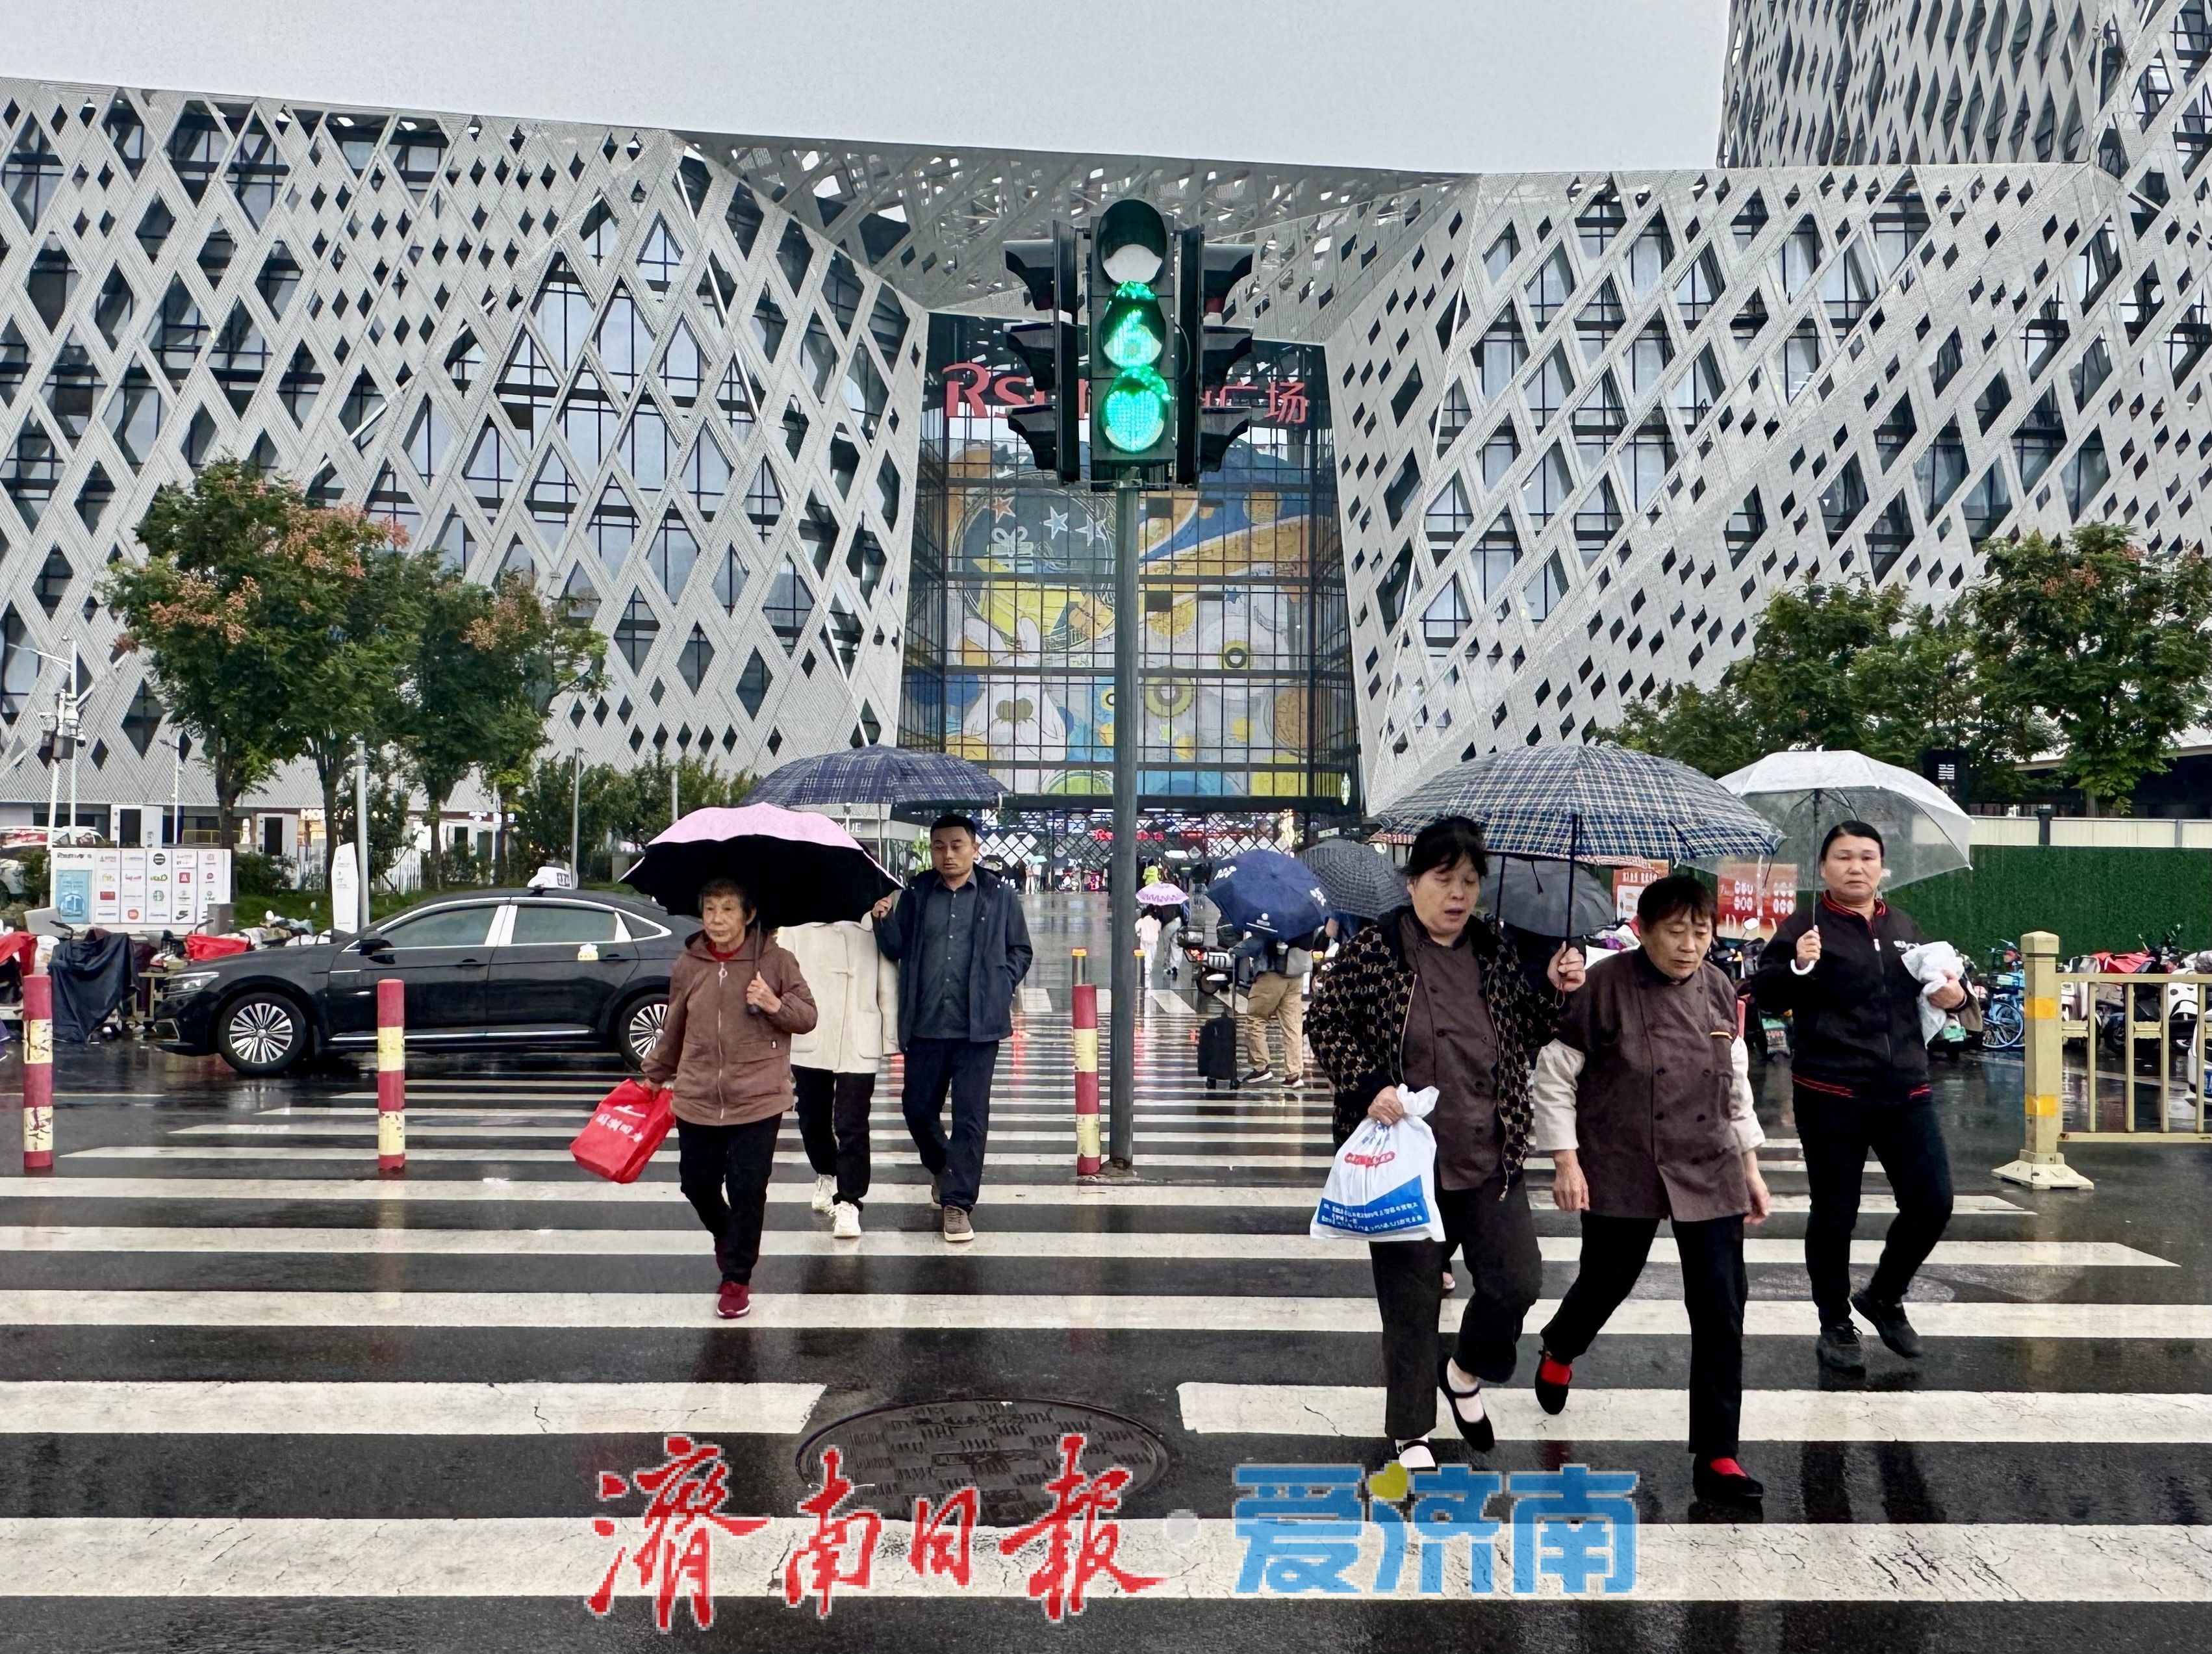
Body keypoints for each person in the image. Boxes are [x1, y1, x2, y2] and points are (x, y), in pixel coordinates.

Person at [1308, 816, 1586, 1477]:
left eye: (1469, 880)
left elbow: (1528, 1032)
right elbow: (1324, 1019)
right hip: (1408, 1159)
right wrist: (1370, 1083)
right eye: (1444, 878)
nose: (1458, 893)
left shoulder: (1493, 948)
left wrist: (1555, 987)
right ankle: (1411, 1431)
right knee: (1411, 1303)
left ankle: (1464, 1368)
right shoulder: (1379, 948)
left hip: (1490, 1149)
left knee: (1517, 1281)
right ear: (1414, 882)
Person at [1529, 874, 1773, 1506]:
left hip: (1708, 1159)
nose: (1690, 944)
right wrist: (1566, 1160)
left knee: (1722, 1306)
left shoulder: (1720, 988)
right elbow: (1555, 1076)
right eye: (1676, 930)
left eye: (1701, 930)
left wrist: (1750, 1165)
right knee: (1609, 1276)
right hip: (1621, 1157)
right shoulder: (1603, 988)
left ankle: (1718, 1451)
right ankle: (1562, 1343)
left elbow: (1735, 1082)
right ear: (1643, 930)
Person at [1750, 821, 1964, 1372]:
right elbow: (1766, 993)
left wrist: (1955, 996)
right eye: (1843, 857)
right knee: (1835, 1213)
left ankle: (1884, 1295)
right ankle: (1834, 1323)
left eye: (1867, 857)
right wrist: (1799, 963)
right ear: (1823, 868)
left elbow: (1937, 992)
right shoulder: (1803, 925)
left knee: (1932, 1201)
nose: (1856, 867)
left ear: (1881, 866)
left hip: (1905, 1087)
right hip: (1830, 1089)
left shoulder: (1905, 926)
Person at [642, 878, 817, 1321]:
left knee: (746, 1189)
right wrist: (654, 1075)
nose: (717, 920)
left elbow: (808, 1017)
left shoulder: (775, 960)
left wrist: (773, 1002)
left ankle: (737, 1277)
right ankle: (727, 1234)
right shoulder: (690, 962)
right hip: (698, 1092)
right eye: (709, 911)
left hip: (758, 1096)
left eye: (727, 910)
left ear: (748, 914)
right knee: (695, 1184)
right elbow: (675, 1024)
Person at [871, 814, 1034, 1243]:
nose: (948, 854)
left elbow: (1020, 949)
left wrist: (998, 984)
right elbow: (895, 947)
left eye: (957, 845)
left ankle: (958, 1203)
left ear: (974, 848)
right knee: (916, 1109)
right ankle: (944, 1167)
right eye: (939, 846)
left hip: (977, 1028)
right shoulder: (918, 893)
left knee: (970, 1118)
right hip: (925, 1024)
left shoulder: (998, 894)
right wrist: (882, 919)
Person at [778, 912, 901, 1240]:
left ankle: (850, 1200)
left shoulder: (872, 922)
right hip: (811, 1034)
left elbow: (887, 982)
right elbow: (783, 984)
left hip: (859, 1034)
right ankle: (825, 1170)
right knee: (812, 1120)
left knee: (852, 1123)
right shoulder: (795, 927)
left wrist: (889, 1037)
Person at [1236, 929, 1316, 1087]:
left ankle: (1261, 1067)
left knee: (1256, 1019)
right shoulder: (1305, 918)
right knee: (1293, 1025)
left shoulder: (1274, 916)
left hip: (1272, 974)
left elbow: (1258, 942)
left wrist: (1236, 949)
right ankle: (1294, 1074)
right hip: (1296, 975)